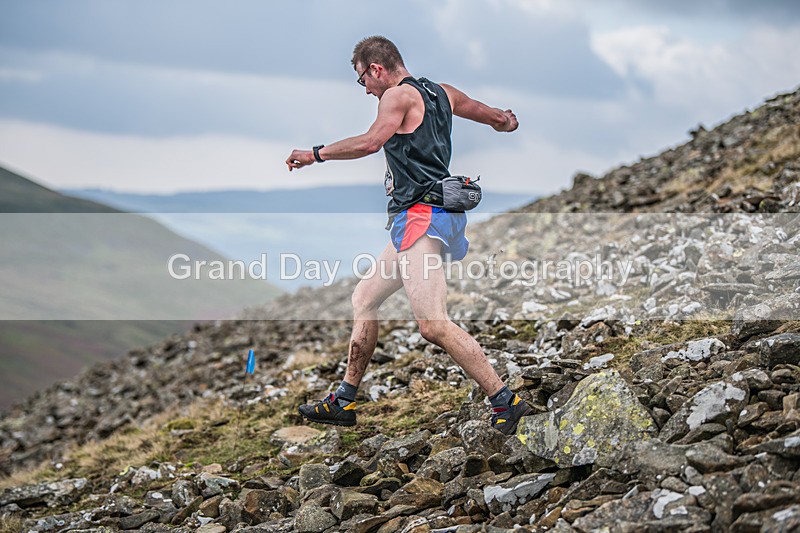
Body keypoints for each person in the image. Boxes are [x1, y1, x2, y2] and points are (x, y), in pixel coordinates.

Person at [285, 36, 532, 435]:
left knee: (432, 325)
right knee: (364, 298)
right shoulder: (443, 93)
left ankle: (506, 399)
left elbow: (370, 142)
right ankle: (344, 400)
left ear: (377, 69)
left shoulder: (396, 98)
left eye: (362, 78)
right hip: (426, 217)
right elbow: (493, 116)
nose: (364, 87)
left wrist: (315, 154)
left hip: (422, 219)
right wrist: (506, 120)